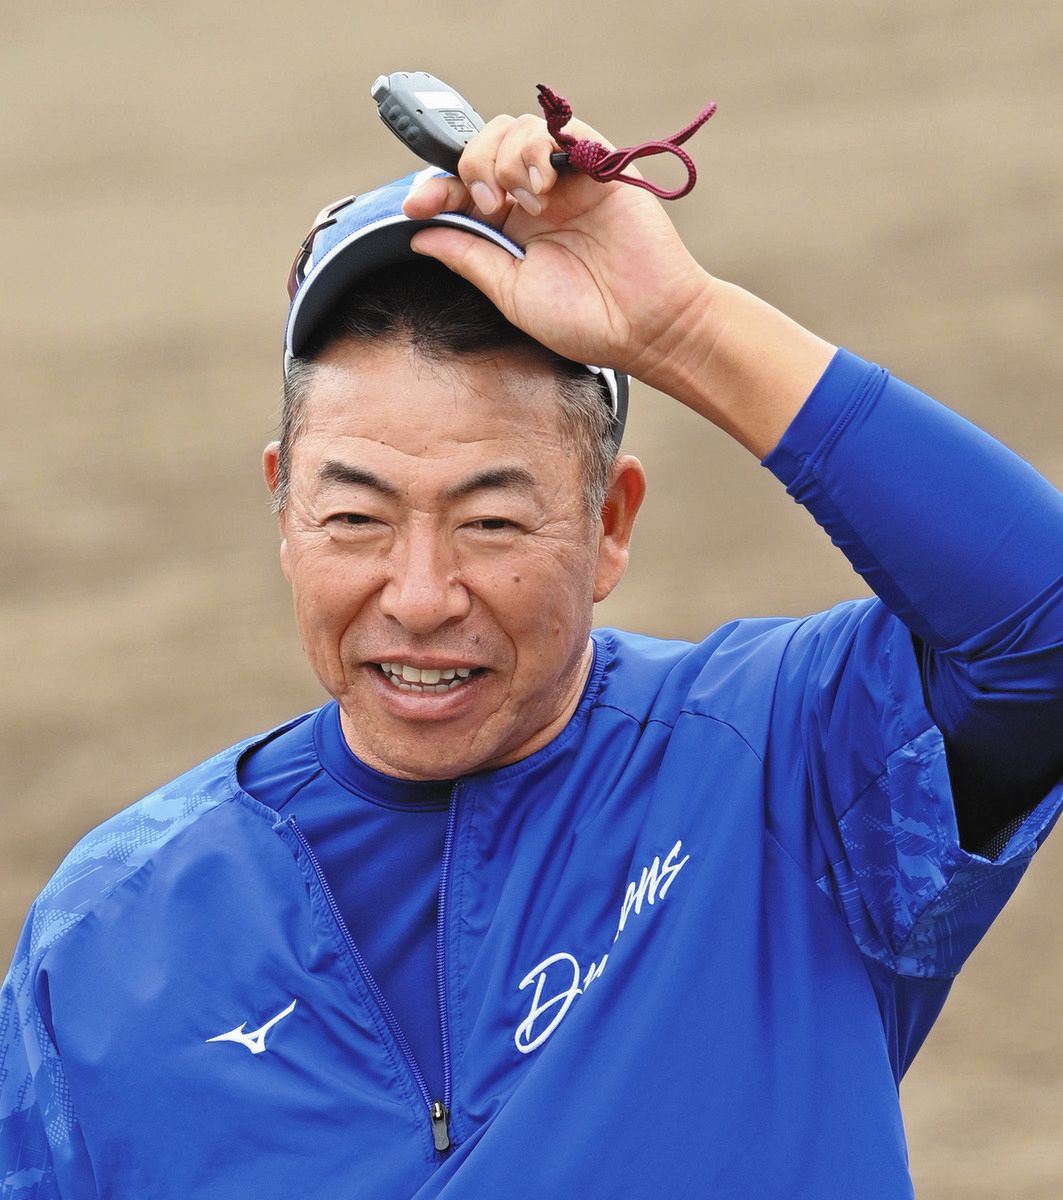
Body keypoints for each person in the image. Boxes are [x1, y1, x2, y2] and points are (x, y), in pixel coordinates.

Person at [2, 111, 1061, 1199]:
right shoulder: (108, 943)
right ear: (282, 507)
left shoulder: (786, 764)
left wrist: (684, 327)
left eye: (491, 522)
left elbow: (1042, 623)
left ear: (610, 524)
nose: (420, 597)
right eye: (356, 518)